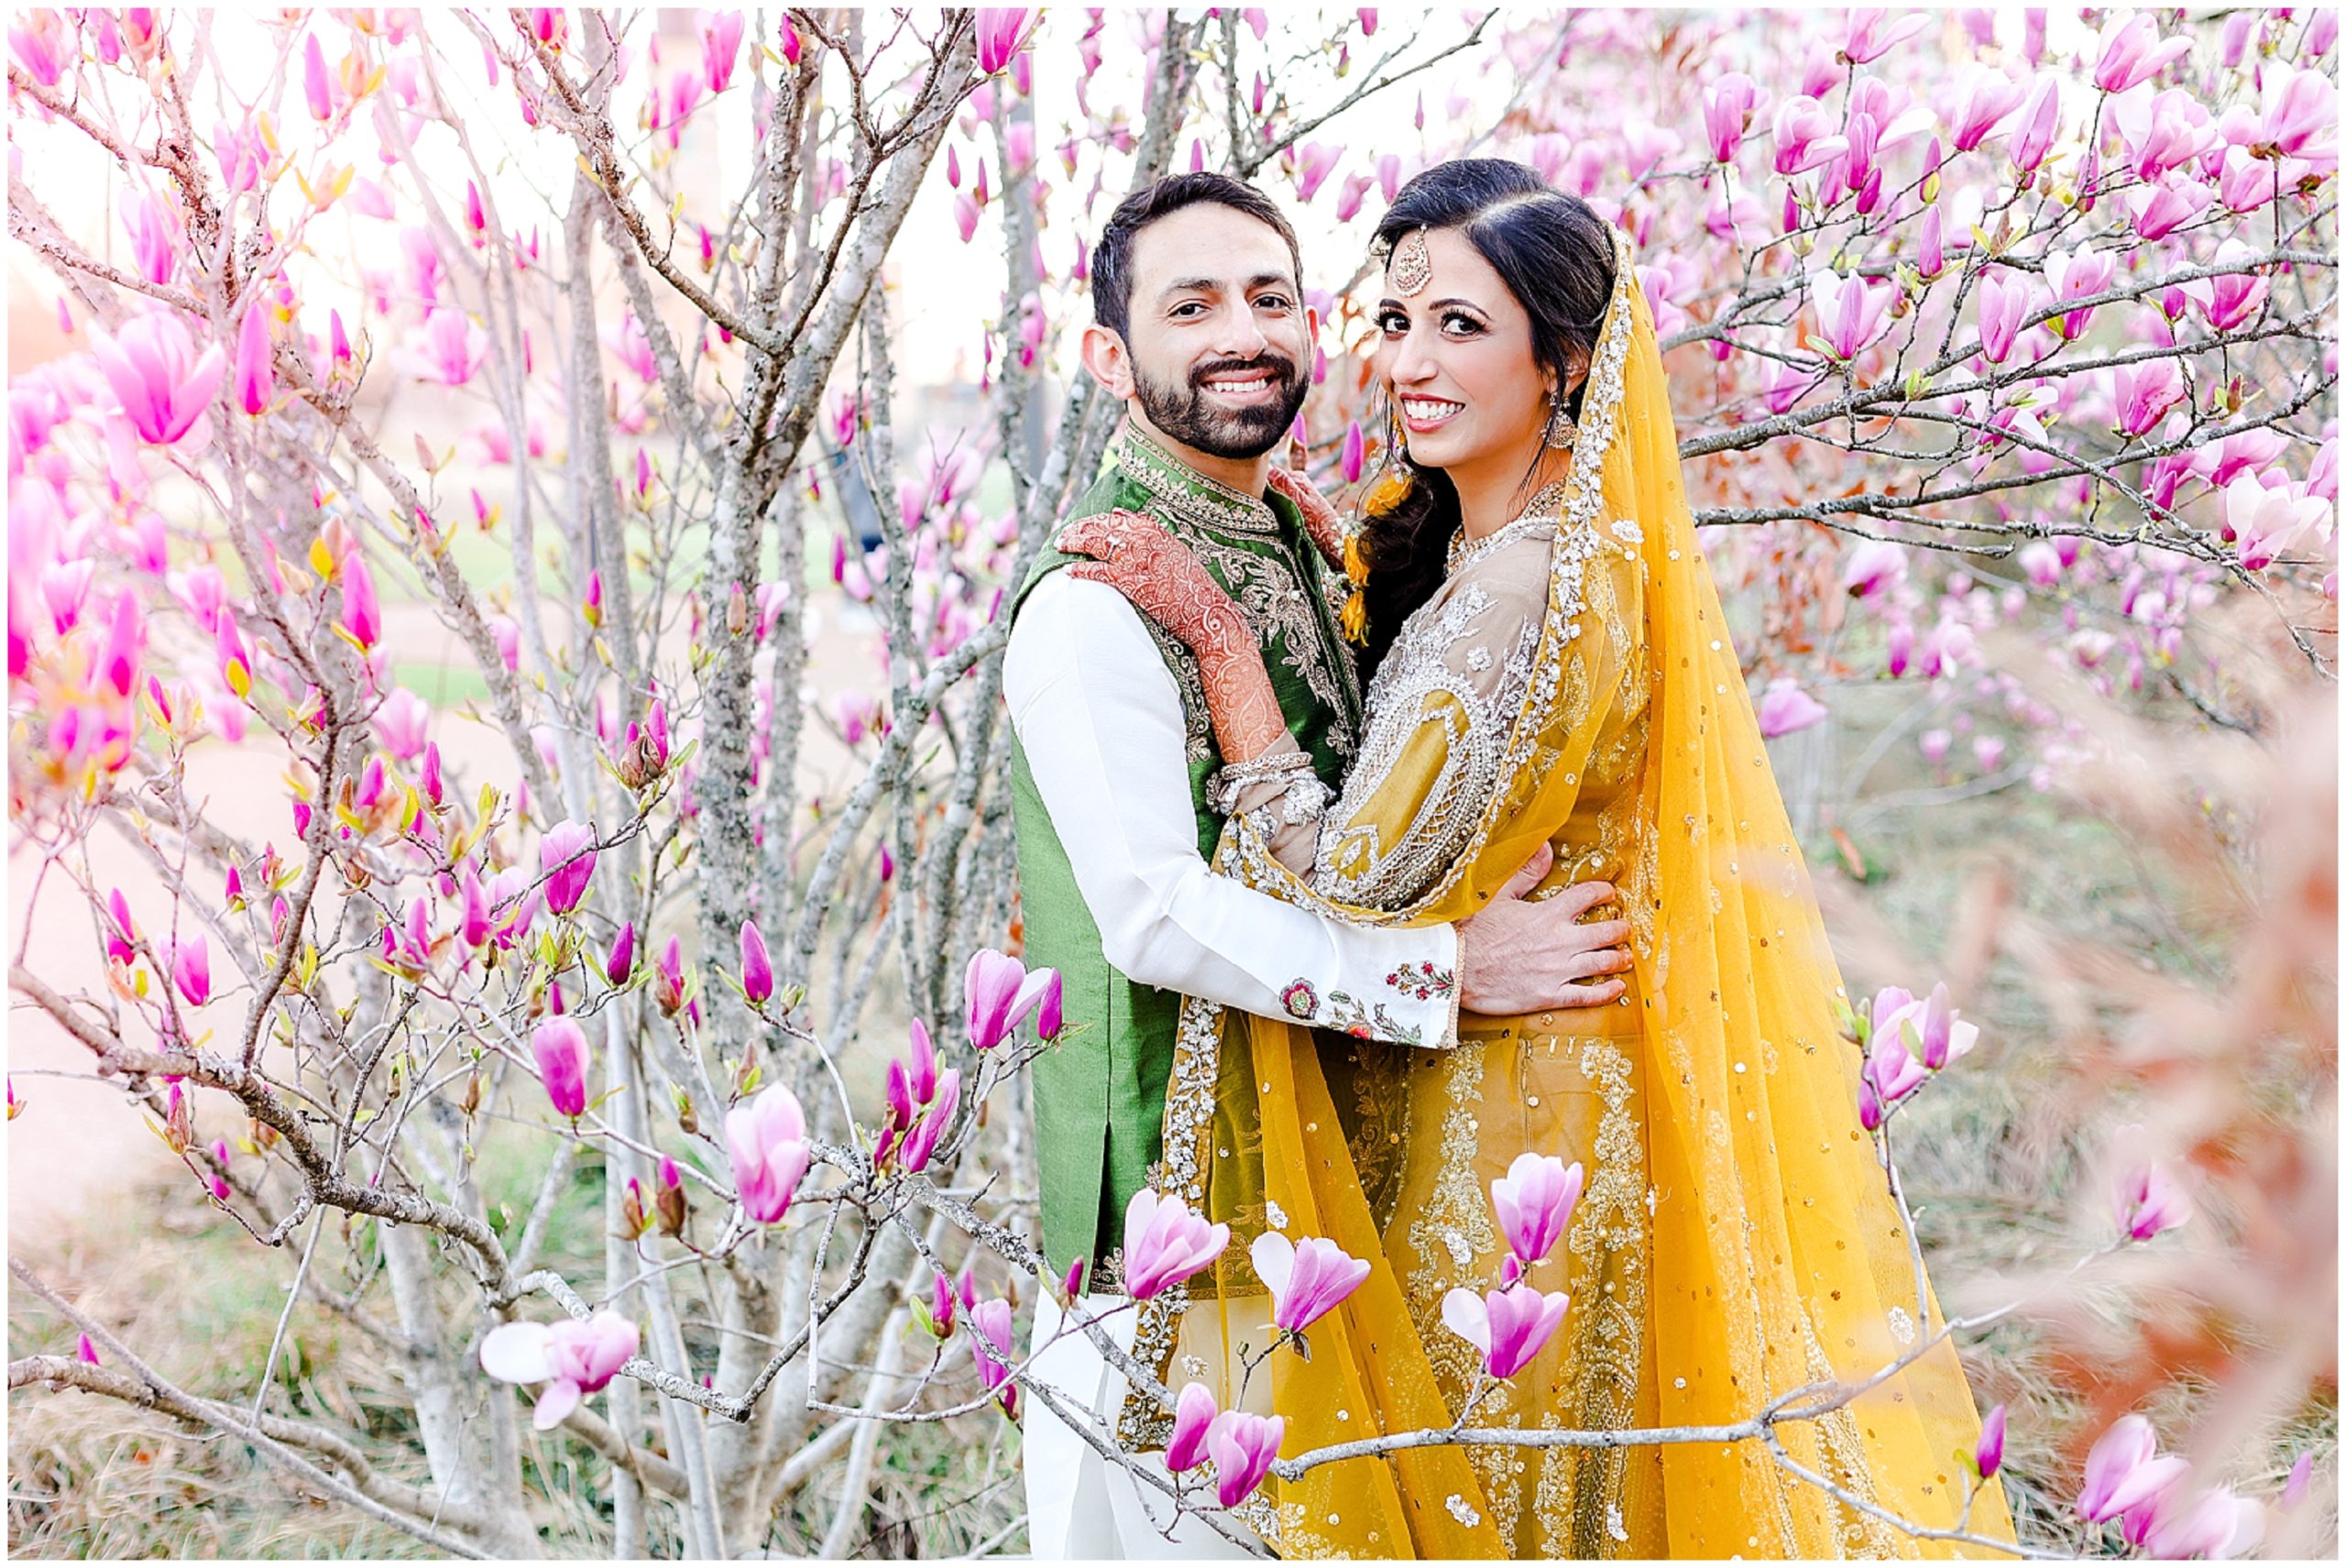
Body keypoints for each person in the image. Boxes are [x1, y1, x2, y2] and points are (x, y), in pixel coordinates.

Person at [1062, 160, 2021, 1558]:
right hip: (1551, 1089)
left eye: (1462, 326)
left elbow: (1346, 878)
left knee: (1494, 1501)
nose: (1410, 363)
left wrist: (1224, 653)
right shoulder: (1524, 552)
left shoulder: (1521, 591)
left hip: (1514, 1114)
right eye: (1396, 322)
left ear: (1563, 362)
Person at [1002, 171, 1637, 1559]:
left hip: (1331, 1188)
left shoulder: (1301, 541)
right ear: (1110, 356)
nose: (1244, 333)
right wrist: (1444, 978)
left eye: (1271, 298)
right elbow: (1153, 917)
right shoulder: (1094, 608)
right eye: (1192, 307)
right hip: (1178, 1219)